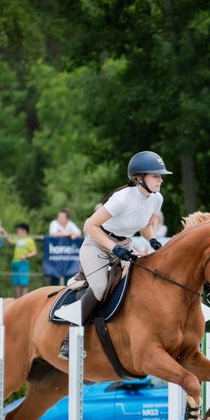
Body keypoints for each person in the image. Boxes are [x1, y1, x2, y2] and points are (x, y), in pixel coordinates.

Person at [59, 150, 171, 360]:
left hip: (124, 245)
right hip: (97, 244)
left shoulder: (156, 199)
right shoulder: (121, 199)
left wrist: (152, 239)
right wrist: (112, 248)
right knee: (100, 288)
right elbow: (89, 225)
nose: (161, 180)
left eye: (160, 176)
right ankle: (71, 338)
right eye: (156, 175)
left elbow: (145, 223)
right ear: (139, 178)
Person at [10, 222, 37, 298]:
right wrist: (3, 232)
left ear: (23, 230)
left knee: (24, 282)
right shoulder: (17, 238)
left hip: (23, 263)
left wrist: (26, 256)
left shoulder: (29, 240)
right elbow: (10, 241)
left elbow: (34, 252)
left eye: (18, 230)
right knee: (17, 282)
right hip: (15, 263)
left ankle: (24, 300)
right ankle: (18, 300)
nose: (17, 231)